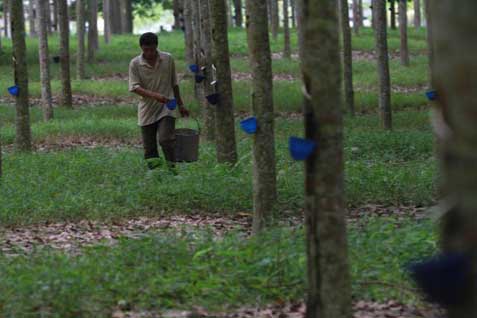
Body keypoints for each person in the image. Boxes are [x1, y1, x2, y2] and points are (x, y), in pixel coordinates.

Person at [128, 32, 189, 174]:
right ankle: (155, 174)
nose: (149, 53)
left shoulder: (167, 59)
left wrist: (181, 105)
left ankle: (172, 170)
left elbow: (174, 83)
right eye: (145, 50)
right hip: (146, 109)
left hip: (167, 106)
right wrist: (154, 96)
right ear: (141, 48)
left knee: (166, 139)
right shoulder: (135, 64)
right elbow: (134, 87)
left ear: (156, 46)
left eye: (152, 49)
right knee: (149, 148)